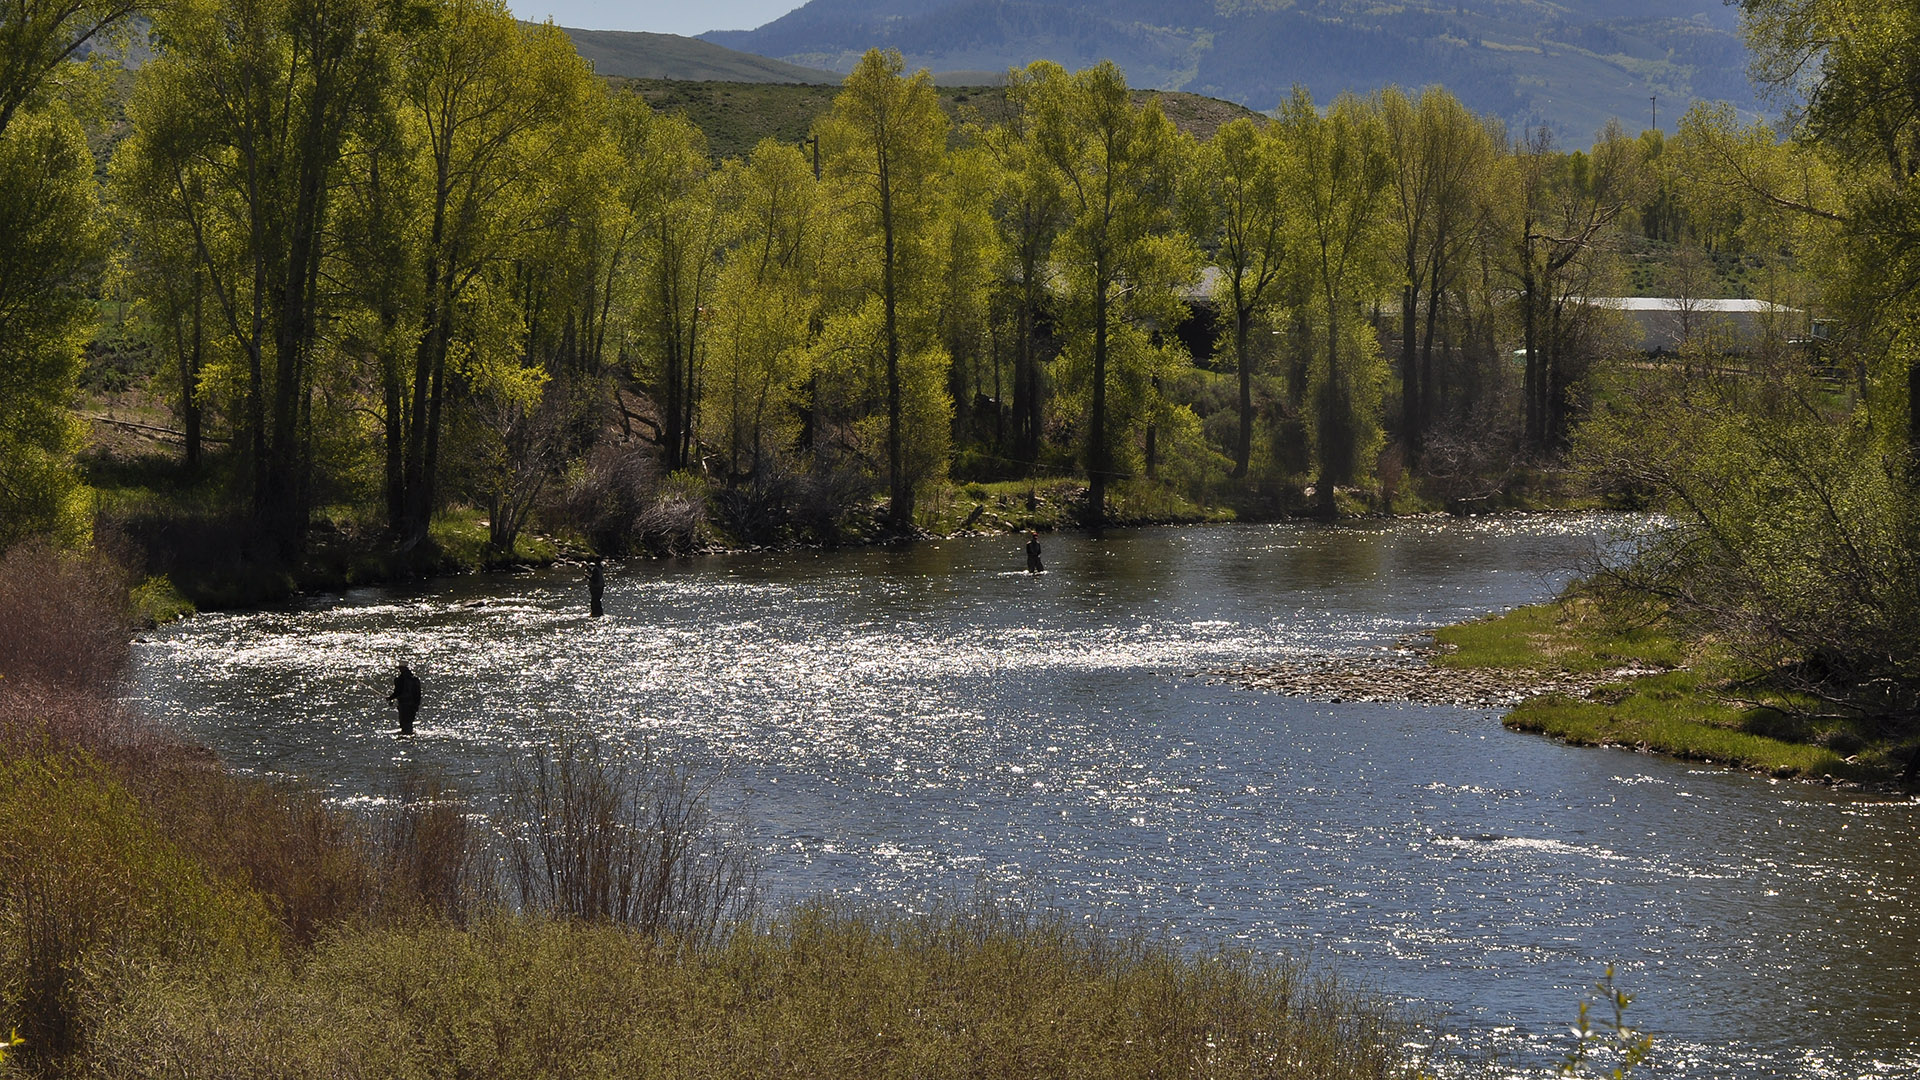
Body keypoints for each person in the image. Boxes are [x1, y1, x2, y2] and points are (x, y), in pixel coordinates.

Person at [387, 662, 421, 736]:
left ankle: (405, 736)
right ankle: (410, 735)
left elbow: (398, 692)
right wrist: (416, 705)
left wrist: (390, 698)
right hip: (413, 705)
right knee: (409, 722)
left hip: (404, 705)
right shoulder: (414, 679)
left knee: (404, 722)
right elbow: (418, 694)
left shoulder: (400, 680)